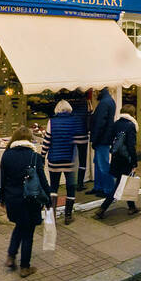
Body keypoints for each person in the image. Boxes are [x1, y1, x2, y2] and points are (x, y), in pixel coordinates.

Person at [0, 131, 47, 274]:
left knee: (20, 225)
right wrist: (48, 199)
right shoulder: (34, 156)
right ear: (29, 140)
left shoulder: (6, 155)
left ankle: (11, 256)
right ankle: (25, 267)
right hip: (30, 199)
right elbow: (42, 180)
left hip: (13, 199)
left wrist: (2, 199)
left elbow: (2, 179)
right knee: (28, 232)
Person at [90, 108, 141, 219]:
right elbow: (131, 146)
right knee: (119, 185)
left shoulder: (116, 124)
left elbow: (112, 140)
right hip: (126, 159)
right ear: (132, 114)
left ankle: (132, 207)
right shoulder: (131, 126)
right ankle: (102, 209)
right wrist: (134, 163)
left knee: (125, 181)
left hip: (116, 158)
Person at [45, 96, 85, 224]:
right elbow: (79, 140)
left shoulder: (51, 121)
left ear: (57, 109)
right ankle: (68, 216)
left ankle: (52, 217)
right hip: (70, 160)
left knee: (54, 187)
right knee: (70, 187)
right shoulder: (74, 121)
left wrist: (41, 156)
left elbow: (47, 141)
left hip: (54, 160)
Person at [90, 86, 119, 211]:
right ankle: (99, 187)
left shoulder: (104, 103)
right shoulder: (109, 101)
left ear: (99, 91)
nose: (94, 93)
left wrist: (94, 139)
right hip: (105, 137)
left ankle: (107, 189)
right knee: (98, 163)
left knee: (102, 164)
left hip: (102, 138)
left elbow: (100, 124)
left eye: (95, 91)